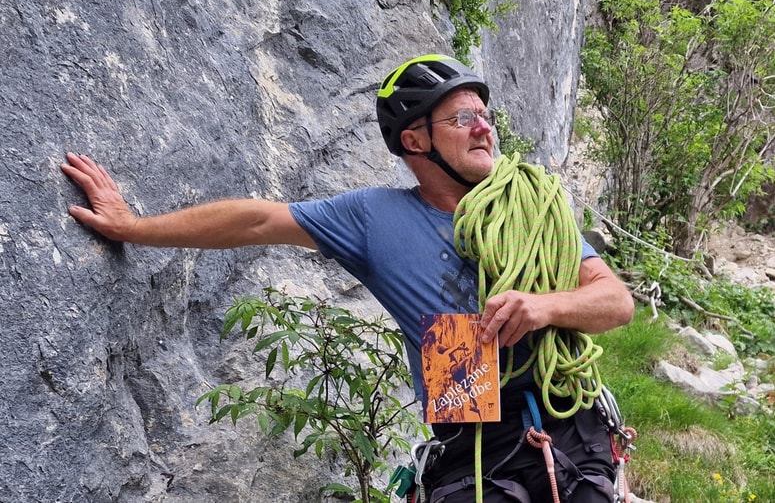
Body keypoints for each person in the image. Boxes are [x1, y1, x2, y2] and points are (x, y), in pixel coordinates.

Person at [62, 53, 634, 502]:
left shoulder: (532, 207)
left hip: (568, 418)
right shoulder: (374, 217)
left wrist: (543, 307)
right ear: (416, 140)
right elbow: (258, 219)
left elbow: (614, 302)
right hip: (468, 435)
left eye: (484, 115)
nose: (484, 129)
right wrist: (133, 227)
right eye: (464, 118)